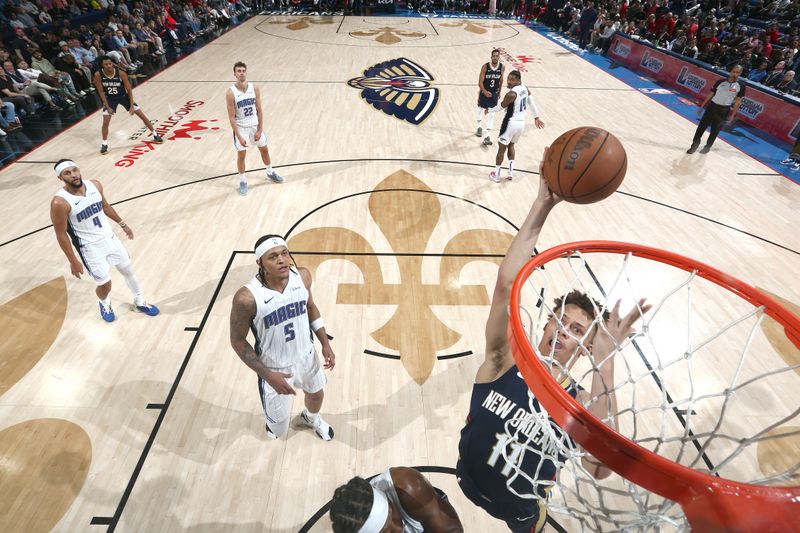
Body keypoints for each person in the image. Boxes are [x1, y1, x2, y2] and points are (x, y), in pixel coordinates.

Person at [457, 155, 651, 532]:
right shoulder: (504, 362)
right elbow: (504, 288)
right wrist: (542, 205)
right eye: (561, 320)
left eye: (578, 331)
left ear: (586, 350)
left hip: (522, 511)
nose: (564, 330)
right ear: (545, 325)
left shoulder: (578, 404)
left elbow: (600, 468)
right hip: (466, 476)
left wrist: (606, 359)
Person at [229, 235, 335, 441]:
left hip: (306, 356)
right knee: (278, 430)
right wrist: (268, 375)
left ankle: (311, 418)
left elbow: (310, 307)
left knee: (316, 395)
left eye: (285, 253)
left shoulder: (302, 277)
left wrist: (325, 343)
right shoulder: (246, 298)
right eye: (273, 256)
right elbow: (238, 342)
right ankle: (273, 425)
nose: (282, 260)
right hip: (274, 368)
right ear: (260, 262)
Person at [49, 159, 160, 322]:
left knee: (128, 271)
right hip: (89, 248)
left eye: (75, 170)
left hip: (110, 238)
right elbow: (61, 233)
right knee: (105, 285)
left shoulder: (95, 185)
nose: (73, 175)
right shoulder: (60, 202)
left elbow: (106, 206)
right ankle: (104, 302)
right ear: (60, 178)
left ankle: (139, 302)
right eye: (67, 173)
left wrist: (123, 224)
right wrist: (72, 260)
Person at [329, 467, 464, 533]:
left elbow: (452, 530)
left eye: (392, 515)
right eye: (384, 532)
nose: (397, 528)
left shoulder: (409, 488)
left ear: (388, 501)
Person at [226, 61, 283, 196]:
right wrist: (239, 136)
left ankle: (270, 172)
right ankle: (243, 181)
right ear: (234, 74)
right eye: (239, 71)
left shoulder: (254, 88)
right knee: (241, 155)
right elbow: (232, 117)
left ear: (246, 72)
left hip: (254, 125)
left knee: (264, 149)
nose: (241, 73)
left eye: (243, 70)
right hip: (241, 128)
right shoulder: (230, 93)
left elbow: (260, 110)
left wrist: (259, 129)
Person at [94, 55, 164, 155]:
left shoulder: (121, 73)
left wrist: (131, 106)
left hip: (124, 97)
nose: (109, 66)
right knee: (105, 121)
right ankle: (104, 144)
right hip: (110, 99)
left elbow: (129, 90)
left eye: (110, 63)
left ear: (112, 63)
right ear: (102, 65)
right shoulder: (98, 74)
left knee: (142, 115)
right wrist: (108, 107)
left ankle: (155, 134)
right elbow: (101, 92)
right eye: (106, 64)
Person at [489, 70, 544, 183]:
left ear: (518, 80)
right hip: (521, 124)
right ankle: (510, 173)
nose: (509, 81)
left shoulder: (511, 94)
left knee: (501, 149)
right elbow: (531, 102)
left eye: (512, 79)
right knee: (511, 146)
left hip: (510, 123)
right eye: (508, 78)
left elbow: (500, 106)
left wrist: (489, 110)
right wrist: (536, 117)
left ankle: (497, 175)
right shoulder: (525, 88)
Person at [686, 65, 744, 154]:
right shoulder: (720, 81)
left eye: (737, 72)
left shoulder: (741, 86)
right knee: (701, 127)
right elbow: (711, 94)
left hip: (724, 110)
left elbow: (737, 102)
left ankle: (707, 147)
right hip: (712, 107)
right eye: (733, 71)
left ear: (740, 74)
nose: (734, 74)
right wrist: (702, 106)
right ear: (730, 71)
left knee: (715, 130)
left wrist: (732, 115)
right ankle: (694, 145)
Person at [476, 49, 505, 147]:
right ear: (491, 57)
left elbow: (501, 81)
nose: (495, 57)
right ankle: (479, 127)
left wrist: (499, 92)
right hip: (484, 92)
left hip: (494, 94)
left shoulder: (501, 67)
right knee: (479, 109)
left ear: (499, 57)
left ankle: (487, 136)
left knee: (492, 114)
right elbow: (480, 82)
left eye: (497, 56)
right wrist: (484, 91)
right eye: (494, 56)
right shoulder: (485, 67)